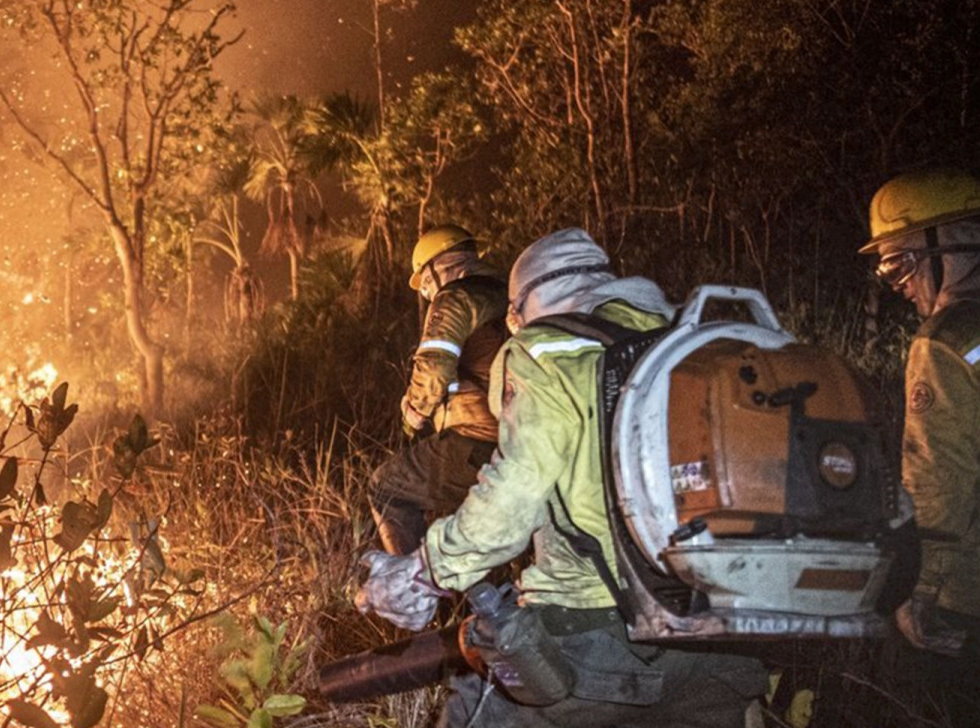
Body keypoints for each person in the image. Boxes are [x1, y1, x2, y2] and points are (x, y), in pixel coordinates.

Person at [357, 229, 767, 727]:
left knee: (475, 712)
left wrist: (422, 571)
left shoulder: (546, 349)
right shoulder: (690, 345)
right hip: (722, 640)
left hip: (595, 637)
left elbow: (512, 501)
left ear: (526, 303)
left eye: (513, 313)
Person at [861, 169, 980, 720]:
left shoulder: (944, 343)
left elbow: (938, 485)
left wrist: (919, 595)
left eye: (899, 263)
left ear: (949, 245)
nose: (899, 285)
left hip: (965, 597)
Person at [368, 225, 510, 555]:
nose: (428, 293)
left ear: (438, 265)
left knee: (386, 487)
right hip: (523, 439)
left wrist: (413, 416)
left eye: (426, 283)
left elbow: (434, 366)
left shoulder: (456, 297)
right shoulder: (509, 292)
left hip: (479, 439)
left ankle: (410, 593)